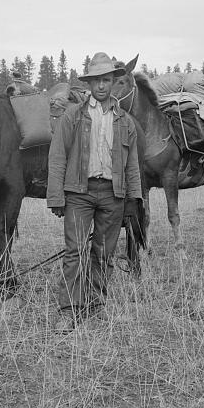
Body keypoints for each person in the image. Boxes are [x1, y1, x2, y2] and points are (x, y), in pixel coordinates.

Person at [47, 52, 143, 332]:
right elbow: (57, 156)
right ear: (88, 83)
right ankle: (69, 309)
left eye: (106, 80)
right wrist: (56, 196)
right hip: (79, 192)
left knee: (104, 253)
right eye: (96, 81)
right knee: (75, 250)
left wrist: (133, 201)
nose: (101, 86)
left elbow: (132, 165)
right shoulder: (72, 116)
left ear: (114, 82)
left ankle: (96, 304)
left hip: (113, 195)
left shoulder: (126, 122)